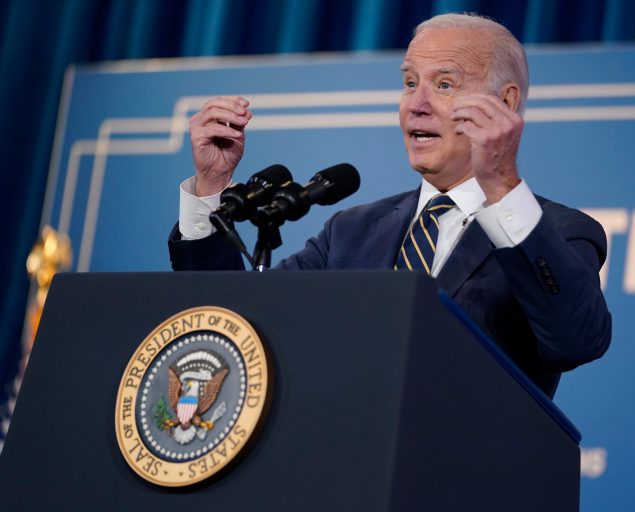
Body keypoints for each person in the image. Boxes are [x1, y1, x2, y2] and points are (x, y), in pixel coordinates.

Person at [169, 13, 611, 398]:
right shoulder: (351, 230)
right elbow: (232, 327)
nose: (417, 105)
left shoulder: (561, 231)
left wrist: (501, 184)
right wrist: (213, 186)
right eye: (409, 83)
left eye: (444, 84)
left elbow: (576, 340)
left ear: (506, 102)